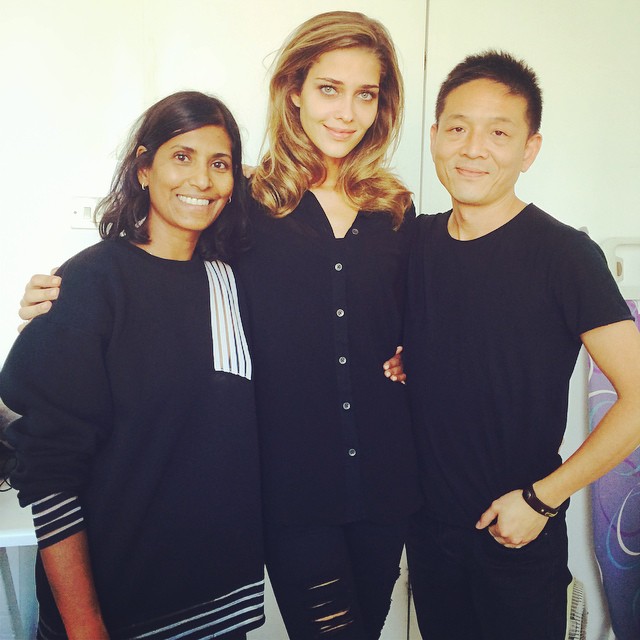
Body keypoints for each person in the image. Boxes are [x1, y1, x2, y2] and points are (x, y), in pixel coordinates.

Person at [17, 11, 420, 639]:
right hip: (294, 487)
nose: (346, 112)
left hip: (385, 478)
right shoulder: (249, 201)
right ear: (293, 91)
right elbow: (157, 265)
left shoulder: (394, 208)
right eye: (328, 89)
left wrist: (416, 350)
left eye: (365, 94)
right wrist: (55, 302)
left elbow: (413, 314)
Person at [1, 91, 265, 639]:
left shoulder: (236, 279)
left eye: (219, 164)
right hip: (114, 611)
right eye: (181, 157)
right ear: (143, 168)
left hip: (221, 605)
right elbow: (48, 469)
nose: (201, 180)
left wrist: (400, 352)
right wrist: (84, 625)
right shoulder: (90, 284)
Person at [403, 50, 640, 640]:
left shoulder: (564, 255)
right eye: (457, 129)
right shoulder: (414, 241)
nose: (473, 149)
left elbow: (638, 398)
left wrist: (541, 501)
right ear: (434, 136)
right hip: (430, 537)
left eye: (499, 133)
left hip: (517, 533)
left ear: (529, 149)